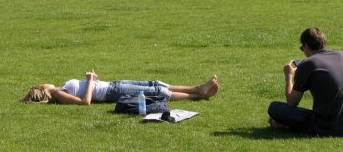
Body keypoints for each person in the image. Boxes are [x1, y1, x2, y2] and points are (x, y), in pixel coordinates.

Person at [268, 27, 343, 137]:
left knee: (274, 108)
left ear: (306, 45)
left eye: (302, 48)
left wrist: (289, 75)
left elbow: (291, 102)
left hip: (326, 126)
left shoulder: (308, 64)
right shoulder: (342, 55)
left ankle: (287, 126)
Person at [22, 71, 218, 105]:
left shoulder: (61, 88)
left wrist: (93, 80)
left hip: (111, 85)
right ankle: (198, 95)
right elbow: (85, 102)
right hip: (112, 92)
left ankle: (197, 88)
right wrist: (90, 81)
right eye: (42, 85)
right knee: (155, 92)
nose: (45, 82)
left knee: (154, 84)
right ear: (43, 91)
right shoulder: (57, 93)